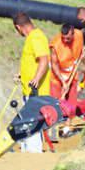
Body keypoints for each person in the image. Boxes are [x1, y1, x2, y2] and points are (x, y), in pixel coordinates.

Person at [13, 12, 51, 153]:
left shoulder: (35, 37)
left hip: (36, 92)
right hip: (30, 90)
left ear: (19, 27)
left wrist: (36, 79)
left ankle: (33, 154)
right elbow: (35, 62)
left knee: (32, 124)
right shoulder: (33, 37)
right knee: (29, 124)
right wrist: (22, 75)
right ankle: (27, 152)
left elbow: (44, 59)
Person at [49, 23, 83, 137]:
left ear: (73, 33)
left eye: (68, 38)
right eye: (63, 38)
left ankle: (67, 127)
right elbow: (54, 65)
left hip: (72, 74)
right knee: (56, 103)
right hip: (57, 76)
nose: (65, 40)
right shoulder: (55, 44)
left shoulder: (79, 35)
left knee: (71, 103)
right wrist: (63, 81)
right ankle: (53, 130)